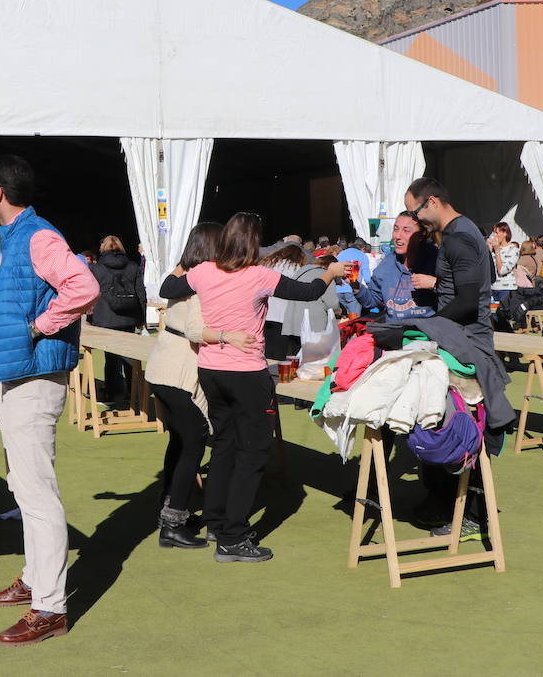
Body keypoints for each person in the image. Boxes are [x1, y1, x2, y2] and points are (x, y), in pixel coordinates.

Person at [0, 155, 98, 646]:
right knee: (23, 485)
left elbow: (84, 287)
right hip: (16, 375)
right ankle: (34, 579)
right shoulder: (15, 239)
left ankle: (49, 606)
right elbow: (21, 308)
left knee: (35, 490)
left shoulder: (38, 237)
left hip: (33, 377)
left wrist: (40, 327)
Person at [160, 212, 348, 564]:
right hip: (246, 372)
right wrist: (330, 273)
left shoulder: (203, 271)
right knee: (253, 452)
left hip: (211, 370)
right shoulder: (260, 276)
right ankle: (232, 536)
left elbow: (168, 288)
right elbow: (307, 292)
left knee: (225, 445)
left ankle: (217, 522)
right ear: (253, 242)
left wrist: (184, 261)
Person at [404, 178, 510, 540]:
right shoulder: (459, 234)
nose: (418, 222)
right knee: (445, 422)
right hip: (460, 340)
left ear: (432, 201)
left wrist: (427, 328)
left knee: (458, 430)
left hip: (467, 344)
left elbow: (467, 300)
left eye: (417, 213)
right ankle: (446, 504)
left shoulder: (459, 237)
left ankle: (468, 513)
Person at [144, 222, 243, 550]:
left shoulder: (185, 275)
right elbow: (196, 330)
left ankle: (169, 512)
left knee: (180, 441)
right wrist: (230, 338)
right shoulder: (204, 281)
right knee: (195, 442)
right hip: (178, 372)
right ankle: (172, 521)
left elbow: (167, 285)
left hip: (163, 368)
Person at [89, 234, 147, 406]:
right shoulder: (133, 267)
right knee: (130, 356)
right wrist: (142, 318)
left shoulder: (96, 269)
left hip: (106, 318)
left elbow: (90, 294)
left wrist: (91, 317)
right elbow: (140, 293)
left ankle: (112, 393)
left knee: (111, 358)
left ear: (103, 249)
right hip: (128, 317)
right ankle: (133, 391)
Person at [352, 210, 438, 322]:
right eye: (396, 229)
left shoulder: (437, 260)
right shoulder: (385, 266)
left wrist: (435, 283)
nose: (397, 236)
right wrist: (355, 286)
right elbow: (373, 301)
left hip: (429, 335)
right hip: (394, 334)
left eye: (406, 230)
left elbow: (458, 295)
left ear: (422, 235)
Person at [262, 243, 336, 362]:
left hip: (268, 316)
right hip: (286, 318)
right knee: (286, 356)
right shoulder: (299, 269)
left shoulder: (269, 265)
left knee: (270, 354)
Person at [334, 238, 373, 316]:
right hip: (353, 290)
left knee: (343, 320)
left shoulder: (341, 254)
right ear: (363, 248)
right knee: (354, 321)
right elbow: (367, 279)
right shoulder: (362, 256)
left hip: (338, 290)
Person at [488, 222, 520, 313]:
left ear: (505, 233)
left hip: (506, 289)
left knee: (503, 317)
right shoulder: (494, 249)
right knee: (493, 318)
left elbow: (502, 270)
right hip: (493, 288)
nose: (494, 236)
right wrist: (489, 251)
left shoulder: (513, 250)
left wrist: (497, 251)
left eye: (497, 233)